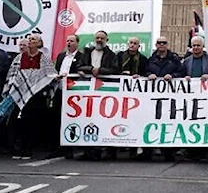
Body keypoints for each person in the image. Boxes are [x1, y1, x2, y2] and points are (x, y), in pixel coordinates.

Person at [5, 34, 57, 160]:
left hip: (36, 95)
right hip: (20, 94)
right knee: (18, 121)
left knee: (32, 122)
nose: (30, 41)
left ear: (39, 43)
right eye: (29, 39)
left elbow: (50, 73)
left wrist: (54, 77)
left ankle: (27, 149)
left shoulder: (43, 58)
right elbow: (12, 74)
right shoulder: (19, 57)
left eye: (33, 39)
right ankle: (17, 148)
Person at [76, 30, 117, 160]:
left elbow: (114, 69)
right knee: (87, 118)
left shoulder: (111, 55)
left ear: (107, 40)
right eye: (97, 38)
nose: (99, 40)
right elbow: (80, 66)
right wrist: (89, 70)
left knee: (103, 119)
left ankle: (101, 149)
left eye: (102, 38)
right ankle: (88, 149)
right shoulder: (87, 52)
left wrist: (100, 71)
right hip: (87, 91)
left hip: (104, 90)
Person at [181, 36, 208, 162]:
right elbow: (180, 74)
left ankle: (204, 152)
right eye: (194, 46)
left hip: (206, 97)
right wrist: (185, 77)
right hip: (191, 97)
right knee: (191, 122)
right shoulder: (187, 61)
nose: (196, 48)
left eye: (198, 45)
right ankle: (191, 151)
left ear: (202, 46)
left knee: (204, 123)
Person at [146, 36, 183, 161]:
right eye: (159, 42)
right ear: (156, 45)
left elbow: (181, 72)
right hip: (153, 97)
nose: (161, 44)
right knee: (150, 121)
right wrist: (149, 75)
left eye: (164, 42)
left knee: (168, 123)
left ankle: (168, 152)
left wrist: (172, 75)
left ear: (167, 45)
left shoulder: (174, 59)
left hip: (169, 97)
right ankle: (148, 151)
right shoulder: (151, 59)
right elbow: (144, 71)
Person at [48, 34, 83, 159]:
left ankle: (70, 148)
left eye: (72, 41)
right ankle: (57, 147)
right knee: (57, 119)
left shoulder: (81, 56)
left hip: (74, 93)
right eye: (67, 41)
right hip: (60, 90)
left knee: (71, 120)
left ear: (77, 43)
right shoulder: (61, 56)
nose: (69, 43)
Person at [115, 37, 150, 161]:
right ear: (128, 44)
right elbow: (114, 69)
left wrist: (140, 76)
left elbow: (146, 72)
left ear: (138, 46)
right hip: (121, 93)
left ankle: (135, 149)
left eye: (135, 43)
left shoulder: (143, 59)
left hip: (137, 94)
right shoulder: (119, 56)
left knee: (135, 119)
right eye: (131, 43)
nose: (132, 45)